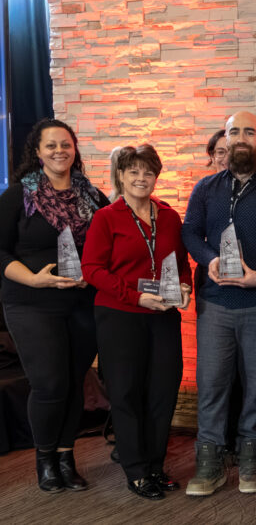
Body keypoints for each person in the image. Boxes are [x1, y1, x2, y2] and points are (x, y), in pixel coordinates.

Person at [181, 111, 256, 497]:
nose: (241, 138)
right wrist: (208, 259)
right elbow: (189, 232)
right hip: (214, 304)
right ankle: (210, 462)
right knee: (212, 385)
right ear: (226, 138)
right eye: (235, 131)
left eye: (249, 132)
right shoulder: (205, 188)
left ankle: (251, 460)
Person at [0, 118, 108, 492]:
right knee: (49, 383)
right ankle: (45, 461)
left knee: (75, 381)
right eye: (51, 146)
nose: (60, 151)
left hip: (82, 301)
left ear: (74, 149)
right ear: (37, 151)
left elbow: (110, 246)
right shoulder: (19, 195)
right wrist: (32, 278)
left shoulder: (93, 196)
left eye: (66, 144)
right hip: (31, 301)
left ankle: (66, 456)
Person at [81, 145, 192, 500]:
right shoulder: (107, 217)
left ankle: (156, 465)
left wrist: (185, 288)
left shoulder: (170, 217)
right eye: (133, 172)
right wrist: (135, 296)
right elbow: (92, 269)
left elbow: (180, 262)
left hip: (163, 317)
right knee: (127, 393)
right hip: (119, 316)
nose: (141, 178)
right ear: (120, 176)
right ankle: (136, 470)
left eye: (148, 172)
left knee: (162, 392)